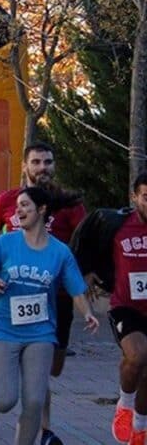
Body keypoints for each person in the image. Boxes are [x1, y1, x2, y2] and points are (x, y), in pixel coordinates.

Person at [0, 186, 98, 444]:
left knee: (34, 400)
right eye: (17, 206)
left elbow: (76, 289)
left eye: (25, 205)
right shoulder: (5, 243)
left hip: (41, 331)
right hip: (2, 327)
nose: (18, 210)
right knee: (7, 399)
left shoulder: (60, 251)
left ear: (42, 210)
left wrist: (88, 314)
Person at [0, 142, 85, 445]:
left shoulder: (68, 204)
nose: (43, 167)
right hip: (12, 298)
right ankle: (42, 430)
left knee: (51, 370)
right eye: (37, 162)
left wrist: (85, 276)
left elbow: (84, 241)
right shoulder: (7, 201)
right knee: (29, 379)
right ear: (26, 166)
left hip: (55, 297)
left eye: (48, 162)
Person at [72, 171, 147, 445]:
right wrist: (89, 272)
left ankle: (140, 425)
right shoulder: (116, 224)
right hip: (125, 305)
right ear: (135, 197)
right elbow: (89, 244)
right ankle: (124, 405)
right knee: (138, 356)